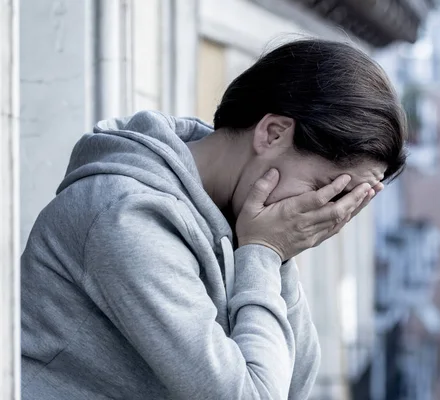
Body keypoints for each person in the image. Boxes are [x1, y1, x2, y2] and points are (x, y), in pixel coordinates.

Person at [21, 39, 407, 399]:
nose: (326, 211)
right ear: (272, 134)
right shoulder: (125, 215)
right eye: (326, 186)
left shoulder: (245, 219)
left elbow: (293, 384)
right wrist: (266, 252)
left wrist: (277, 255)